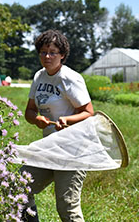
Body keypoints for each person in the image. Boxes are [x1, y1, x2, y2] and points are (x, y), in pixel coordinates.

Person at [21, 29, 94, 222]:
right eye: (43, 52)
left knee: (66, 206)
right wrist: (36, 120)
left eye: (53, 52)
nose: (47, 56)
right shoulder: (39, 77)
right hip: (50, 146)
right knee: (19, 186)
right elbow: (29, 110)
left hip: (73, 149)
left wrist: (68, 120)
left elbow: (89, 112)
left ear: (62, 55)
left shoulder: (70, 78)